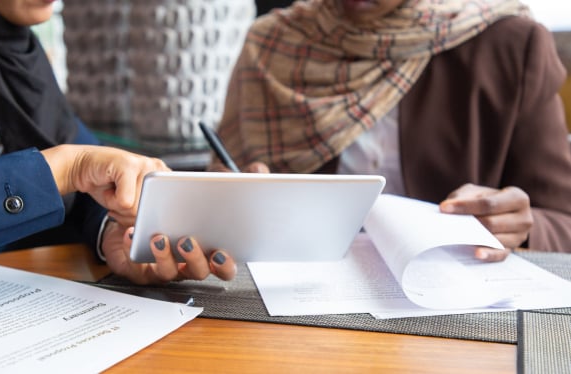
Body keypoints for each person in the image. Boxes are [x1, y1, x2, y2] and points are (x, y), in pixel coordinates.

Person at [210, 0, 571, 261]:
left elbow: (562, 221)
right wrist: (230, 197)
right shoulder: (272, 44)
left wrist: (522, 227)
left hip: (450, 314)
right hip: (288, 304)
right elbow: (220, 193)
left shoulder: (509, 45)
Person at [0, 0, 236, 283]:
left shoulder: (12, 48)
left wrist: (113, 232)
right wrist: (60, 170)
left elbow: (88, 181)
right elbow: (71, 166)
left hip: (22, 300)